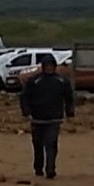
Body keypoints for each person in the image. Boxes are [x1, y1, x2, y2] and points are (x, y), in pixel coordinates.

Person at [18, 51, 75, 179]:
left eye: (51, 65)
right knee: (38, 145)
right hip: (37, 119)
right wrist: (27, 112)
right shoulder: (34, 81)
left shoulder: (61, 81)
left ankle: (50, 169)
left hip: (54, 119)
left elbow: (69, 97)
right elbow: (24, 97)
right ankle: (38, 167)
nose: (49, 68)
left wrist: (70, 113)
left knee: (51, 144)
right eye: (47, 66)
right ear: (43, 66)